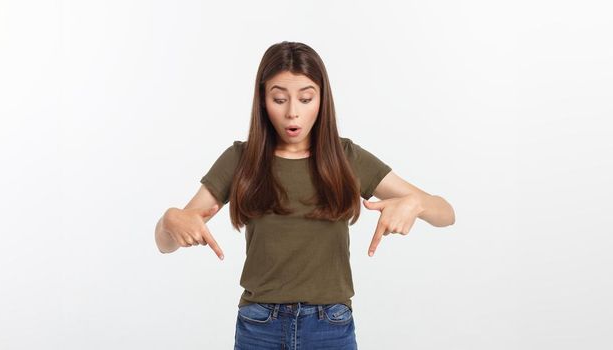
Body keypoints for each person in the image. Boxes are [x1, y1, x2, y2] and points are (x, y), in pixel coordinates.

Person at [154, 41, 456, 350]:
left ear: (322, 100)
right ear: (262, 100)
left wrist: (416, 203)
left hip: (330, 326)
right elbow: (165, 244)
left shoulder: (346, 157)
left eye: (306, 98)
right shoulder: (240, 159)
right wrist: (171, 219)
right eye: (279, 99)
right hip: (259, 326)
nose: (292, 113)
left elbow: (446, 214)